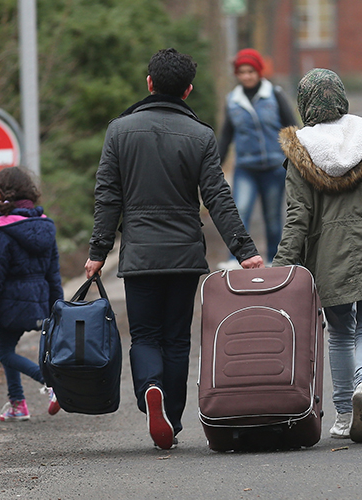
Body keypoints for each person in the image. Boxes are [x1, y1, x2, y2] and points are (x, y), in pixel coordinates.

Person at [85, 48, 263, 450]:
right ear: (188, 90)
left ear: (149, 83)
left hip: (140, 253)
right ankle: (174, 420)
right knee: (177, 338)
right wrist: (244, 249)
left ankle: (151, 391)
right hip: (184, 254)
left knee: (145, 335)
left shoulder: (119, 131)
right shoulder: (200, 135)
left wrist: (98, 251)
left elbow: (107, 196)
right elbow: (217, 196)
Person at [272, 68, 362, 444]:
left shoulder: (302, 152)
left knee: (341, 333)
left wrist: (282, 270)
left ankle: (345, 413)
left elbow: (298, 218)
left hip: (327, 260)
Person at [0, 167, 64, 422]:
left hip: (11, 302)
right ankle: (17, 404)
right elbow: (53, 273)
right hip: (38, 299)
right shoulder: (46, 225)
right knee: (7, 348)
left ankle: (50, 383)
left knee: (4, 353)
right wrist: (57, 308)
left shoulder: (2, 231)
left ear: (1, 194)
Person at [216, 48, 299, 268]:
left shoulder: (274, 94)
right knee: (240, 212)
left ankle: (274, 259)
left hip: (274, 167)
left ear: (259, 71)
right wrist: (214, 165)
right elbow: (226, 135)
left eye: (250, 71)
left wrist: (297, 160)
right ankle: (235, 258)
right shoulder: (233, 100)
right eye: (242, 72)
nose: (246, 76)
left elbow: (291, 127)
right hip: (246, 168)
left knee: (272, 219)